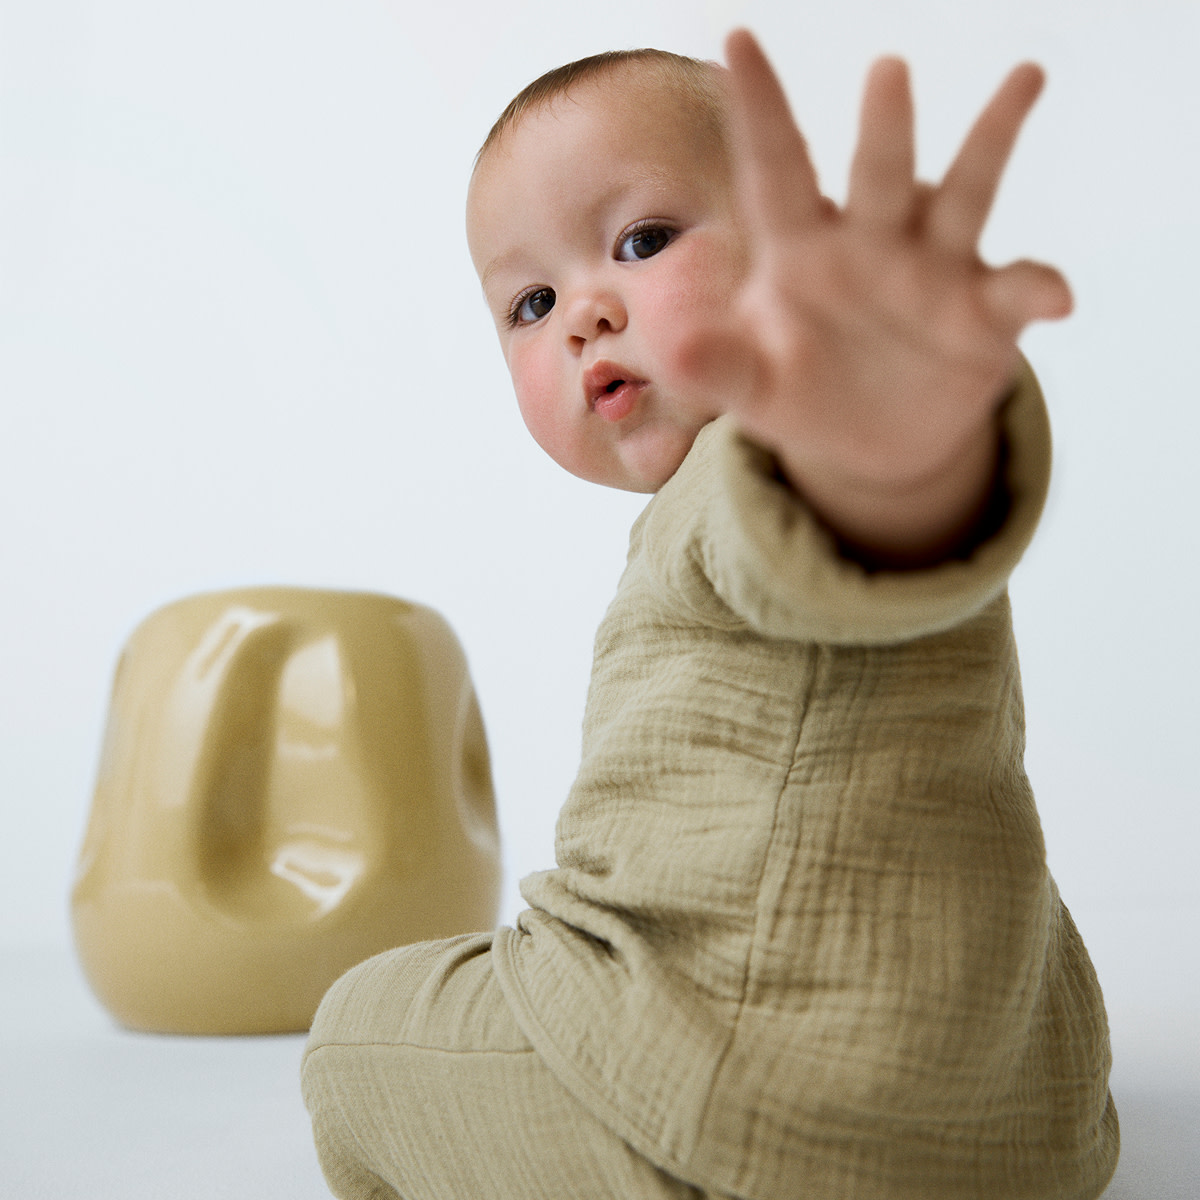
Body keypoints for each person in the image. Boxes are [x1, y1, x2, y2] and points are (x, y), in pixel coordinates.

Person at [301, 29, 1118, 1200]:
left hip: (735, 1113)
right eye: (530, 302)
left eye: (641, 241)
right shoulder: (724, 484)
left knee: (355, 1032)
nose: (583, 312)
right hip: (1013, 1112)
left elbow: (841, 517)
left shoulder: (776, 457)